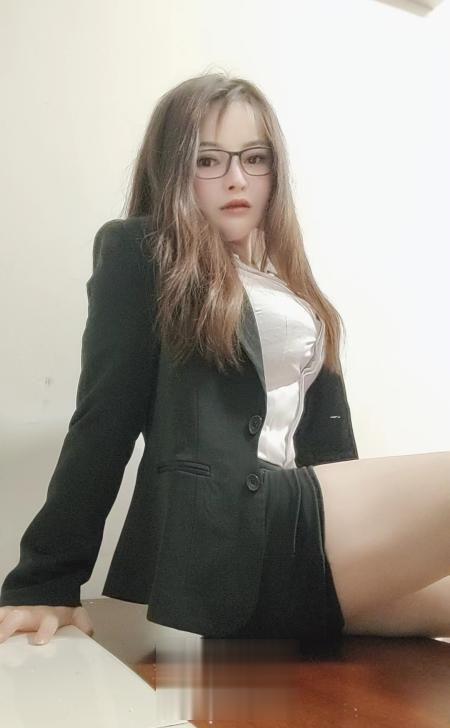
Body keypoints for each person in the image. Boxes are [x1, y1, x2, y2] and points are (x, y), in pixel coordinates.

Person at [0, 72, 449, 648]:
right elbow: (102, 419)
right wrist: (45, 581)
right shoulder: (143, 252)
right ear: (172, 170)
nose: (237, 179)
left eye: (254, 159)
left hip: (298, 539)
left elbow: (328, 448)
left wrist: (368, 531)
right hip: (233, 531)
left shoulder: (285, 280)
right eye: (208, 160)